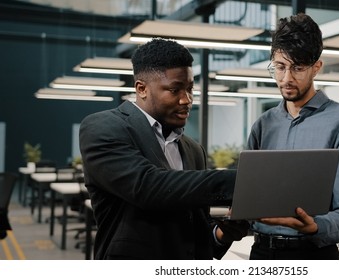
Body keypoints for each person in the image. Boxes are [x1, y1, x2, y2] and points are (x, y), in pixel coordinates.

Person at [79, 38, 248, 260]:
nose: (186, 100)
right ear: (142, 89)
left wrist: (221, 234)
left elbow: (196, 229)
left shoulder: (193, 149)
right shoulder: (103, 127)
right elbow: (148, 187)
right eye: (175, 90)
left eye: (189, 89)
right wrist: (244, 181)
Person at [246, 13, 339, 260]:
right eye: (279, 67)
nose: (286, 78)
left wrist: (315, 226)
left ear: (317, 67)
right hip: (262, 253)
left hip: (314, 254)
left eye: (298, 68)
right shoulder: (263, 125)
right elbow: (248, 200)